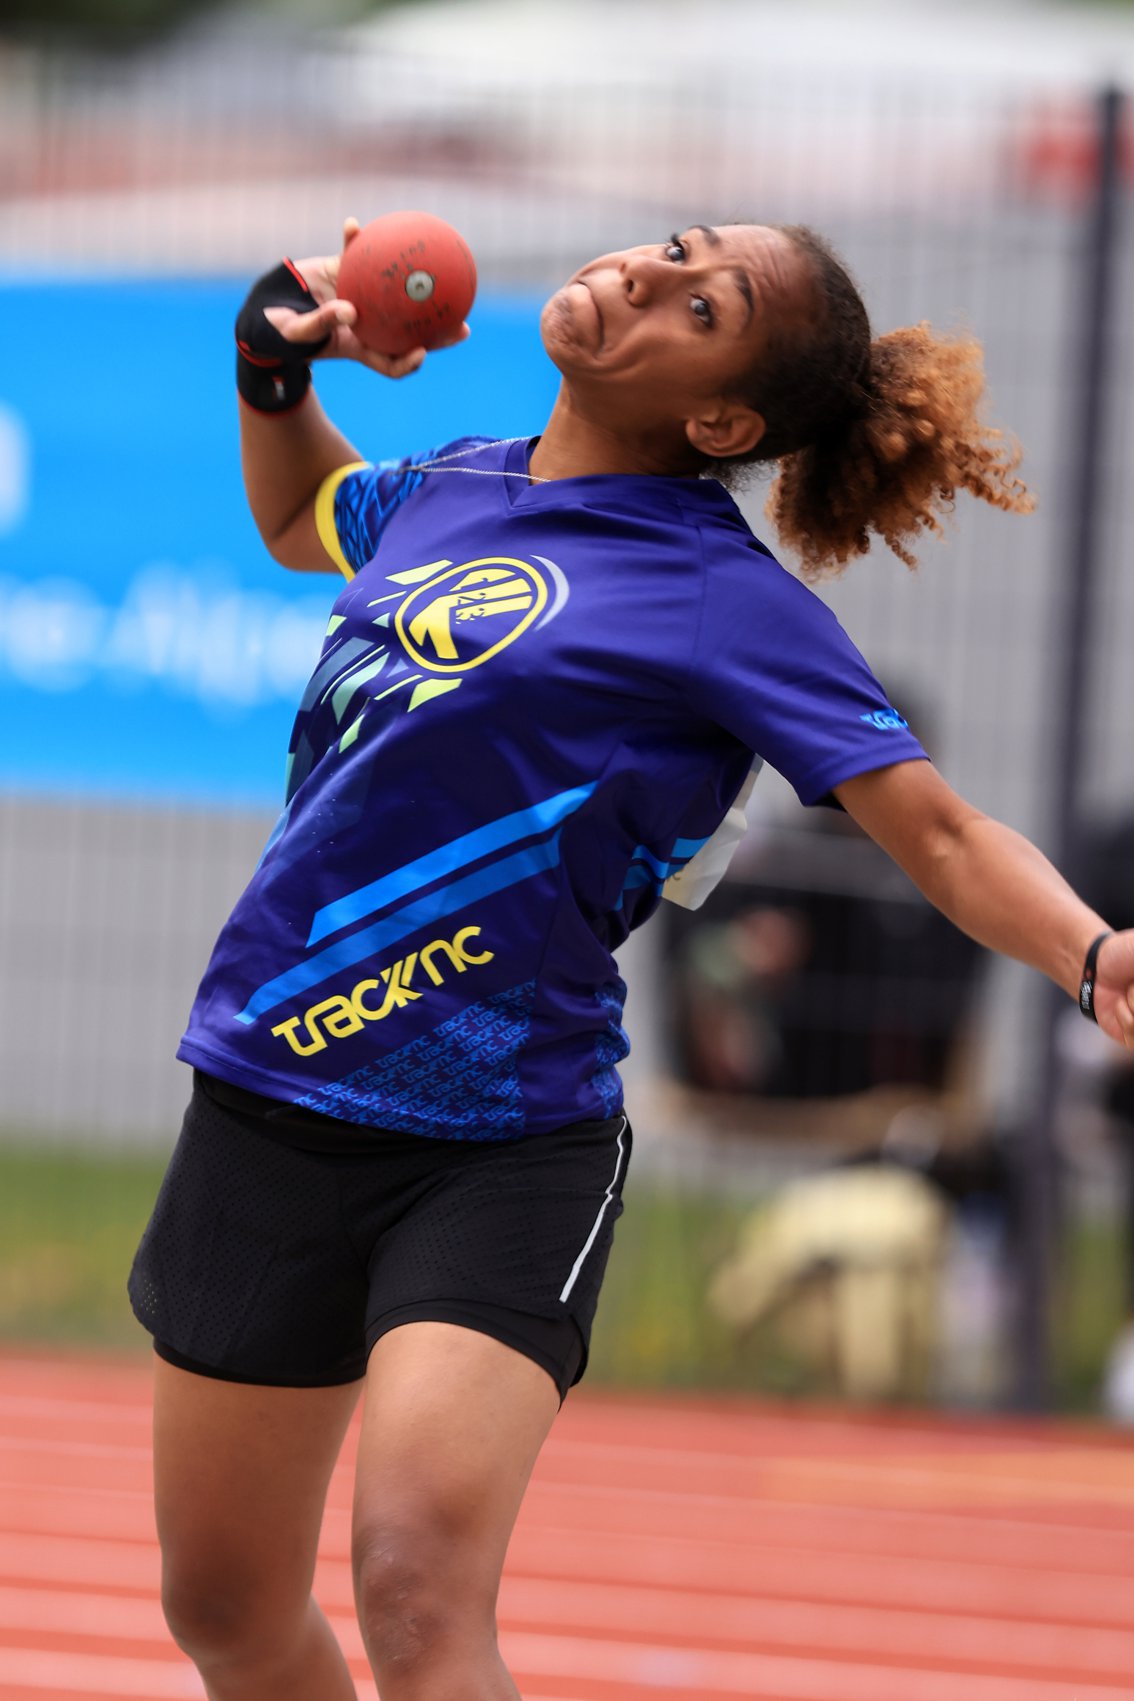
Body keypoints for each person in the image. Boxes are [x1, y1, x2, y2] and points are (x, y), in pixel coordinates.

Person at [129, 215, 1134, 1701]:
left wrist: (1093, 953)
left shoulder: (725, 600)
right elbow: (301, 518)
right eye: (670, 249)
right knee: (222, 1605)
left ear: (719, 422)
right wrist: (269, 376)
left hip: (501, 1142)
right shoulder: (453, 481)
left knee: (413, 1584)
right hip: (269, 1090)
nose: (646, 275)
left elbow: (937, 834)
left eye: (700, 305)